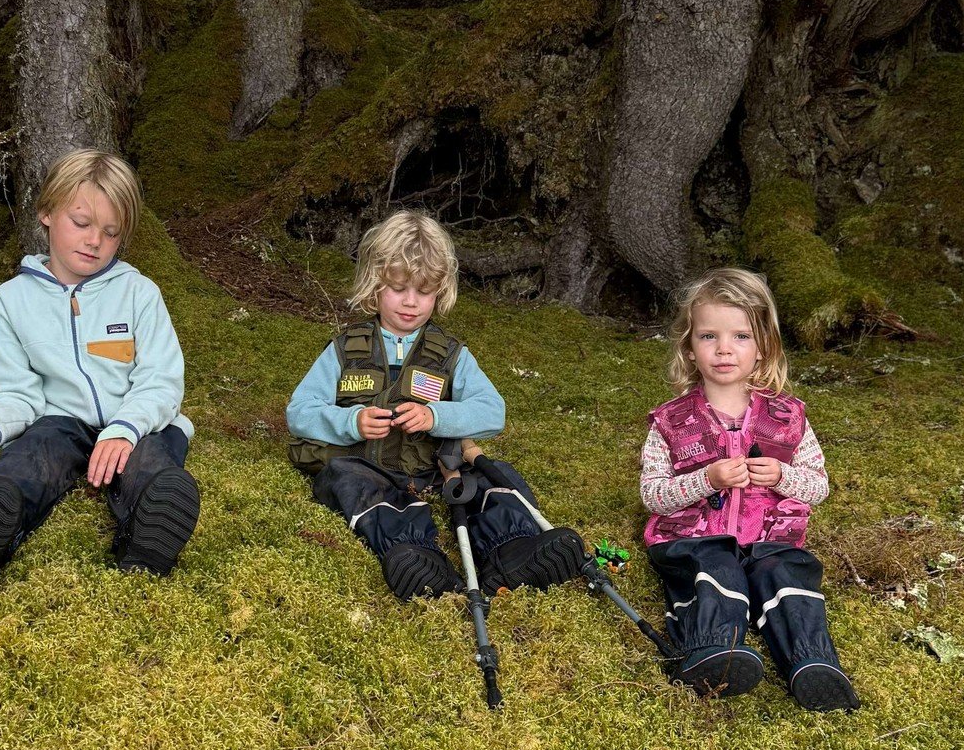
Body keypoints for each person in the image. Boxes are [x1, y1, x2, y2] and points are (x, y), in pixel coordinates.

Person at [0, 149, 200, 588]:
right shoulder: (6, 302)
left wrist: (125, 428)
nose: (95, 241)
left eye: (111, 232)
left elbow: (161, 380)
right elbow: (15, 393)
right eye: (81, 223)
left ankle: (145, 547)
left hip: (141, 424)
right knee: (30, 460)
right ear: (45, 213)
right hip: (58, 422)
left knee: (153, 466)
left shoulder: (140, 293)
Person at [286, 210, 586, 600]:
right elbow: (299, 410)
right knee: (348, 478)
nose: (411, 302)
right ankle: (417, 556)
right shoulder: (344, 350)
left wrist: (435, 416)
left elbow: (492, 411)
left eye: (424, 291)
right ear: (375, 285)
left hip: (434, 473)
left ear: (440, 292)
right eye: (398, 288)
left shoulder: (451, 355)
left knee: (491, 477)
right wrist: (351, 421)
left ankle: (514, 550)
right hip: (367, 469)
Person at [640, 266, 858, 711]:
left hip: (770, 538)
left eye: (740, 336)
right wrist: (707, 479)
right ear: (689, 347)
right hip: (696, 539)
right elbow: (653, 493)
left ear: (763, 348)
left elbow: (818, 486)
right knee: (716, 570)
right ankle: (714, 652)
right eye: (708, 337)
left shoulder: (787, 418)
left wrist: (782, 476)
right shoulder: (671, 421)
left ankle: (813, 663)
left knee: (786, 576)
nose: (724, 349)